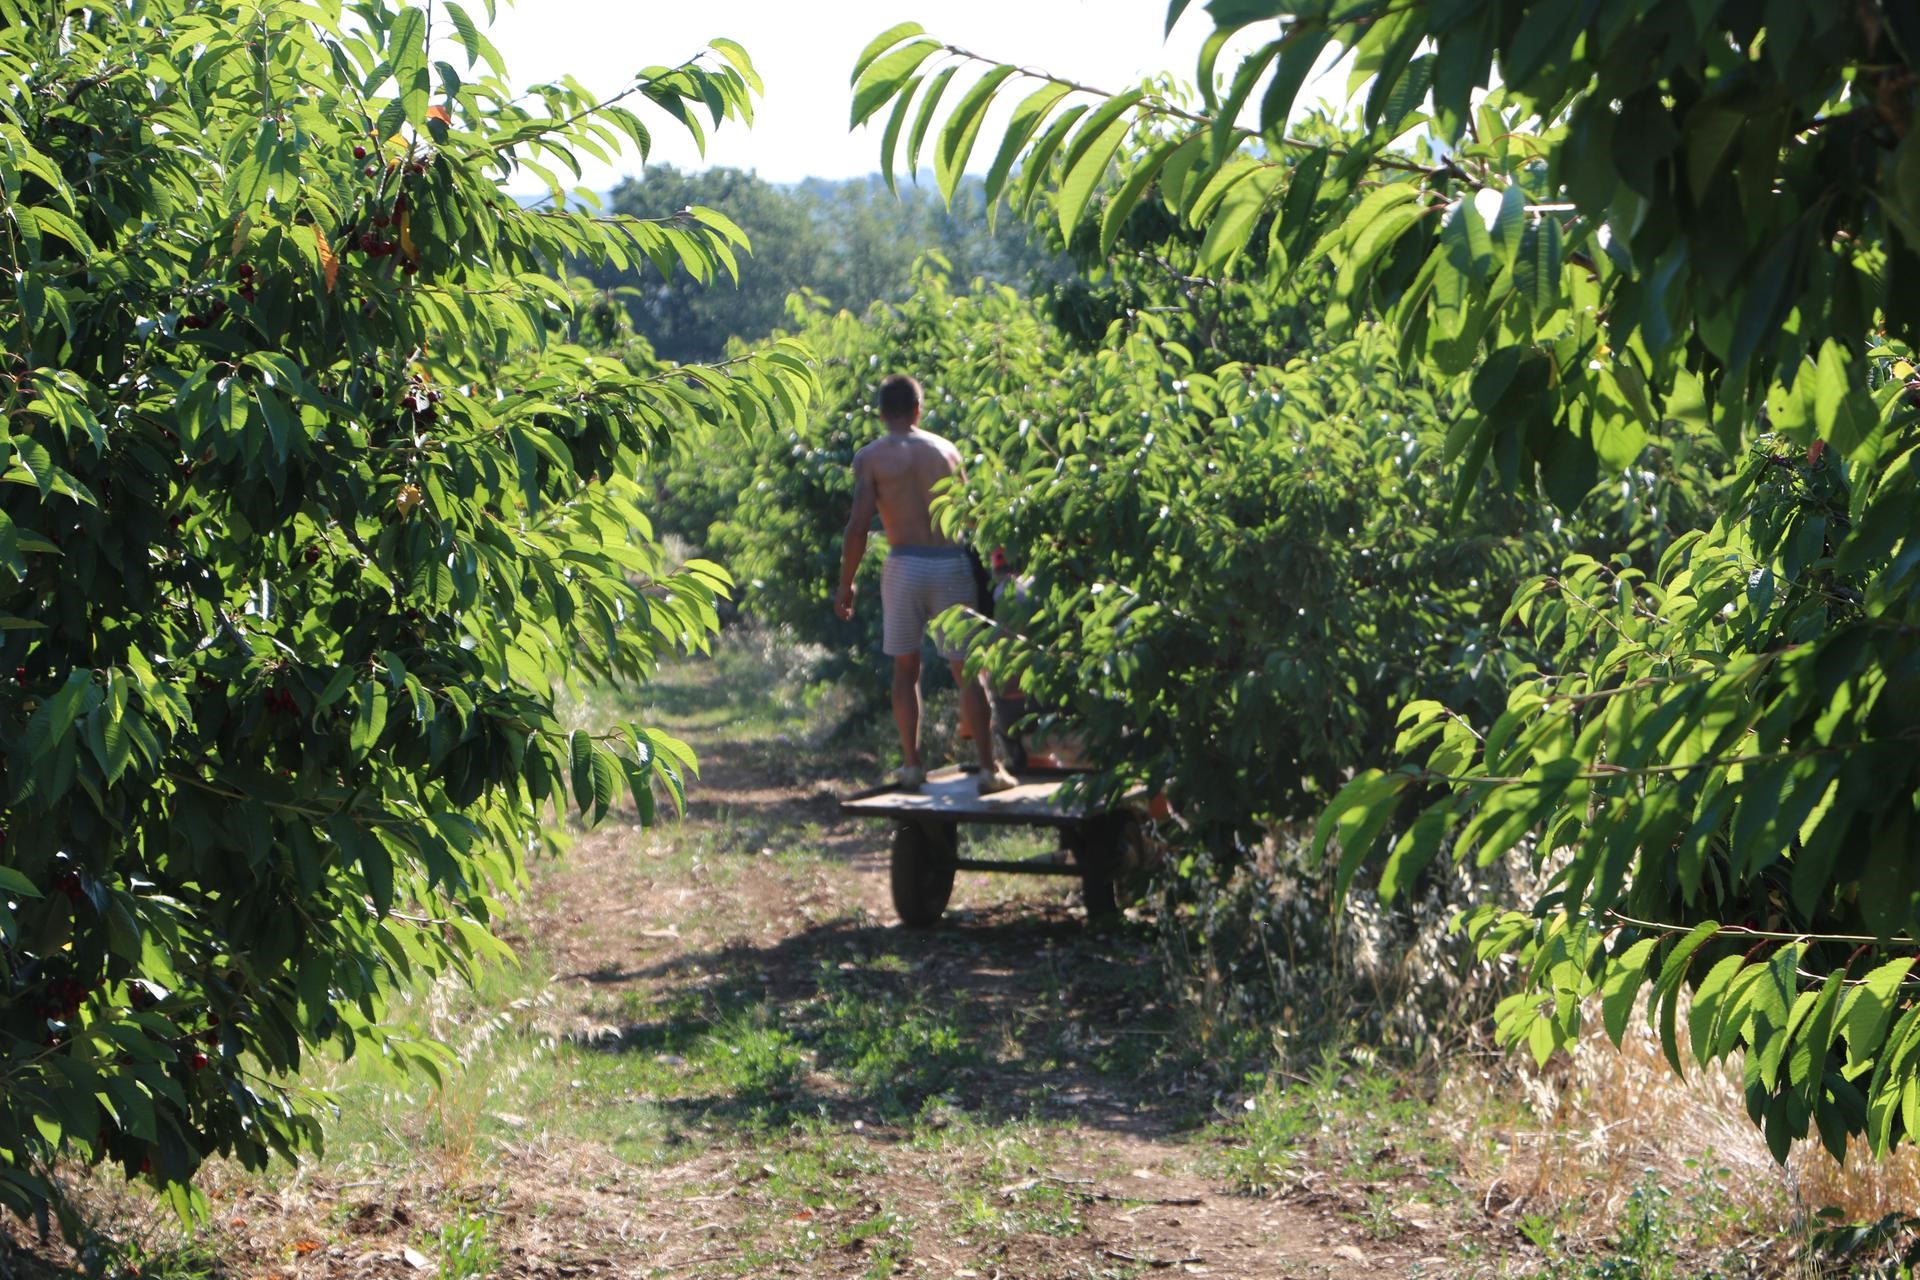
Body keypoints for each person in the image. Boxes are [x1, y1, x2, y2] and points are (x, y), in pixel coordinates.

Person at [834, 374, 1018, 794]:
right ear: (919, 409)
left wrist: (846, 584)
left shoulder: (871, 457)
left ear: (881, 414)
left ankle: (913, 765)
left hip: (904, 566)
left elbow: (858, 525)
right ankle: (990, 769)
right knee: (968, 671)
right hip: (950, 563)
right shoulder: (946, 451)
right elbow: (972, 518)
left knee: (905, 668)